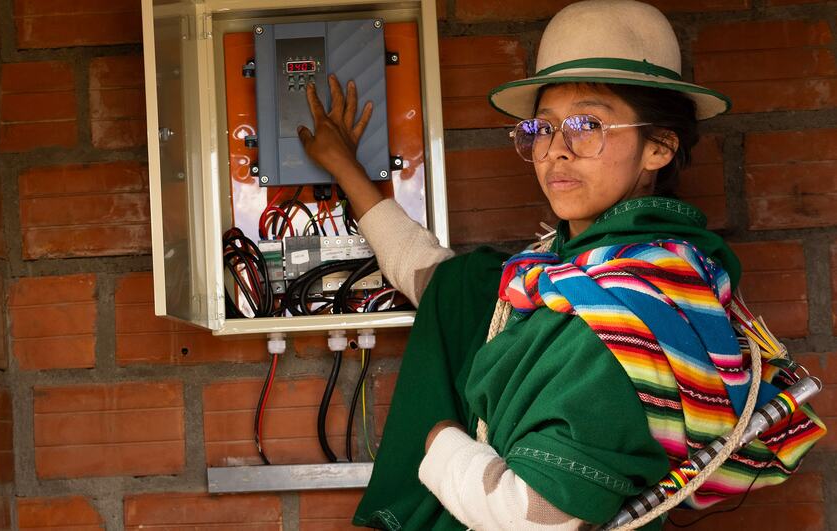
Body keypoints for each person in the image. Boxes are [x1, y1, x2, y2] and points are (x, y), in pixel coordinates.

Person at [296, 1, 826, 529]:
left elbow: (532, 517)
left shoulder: (634, 300)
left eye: (586, 124)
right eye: (542, 128)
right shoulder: (546, 277)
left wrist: (437, 441)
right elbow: (436, 279)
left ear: (659, 147)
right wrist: (344, 165)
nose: (556, 151)